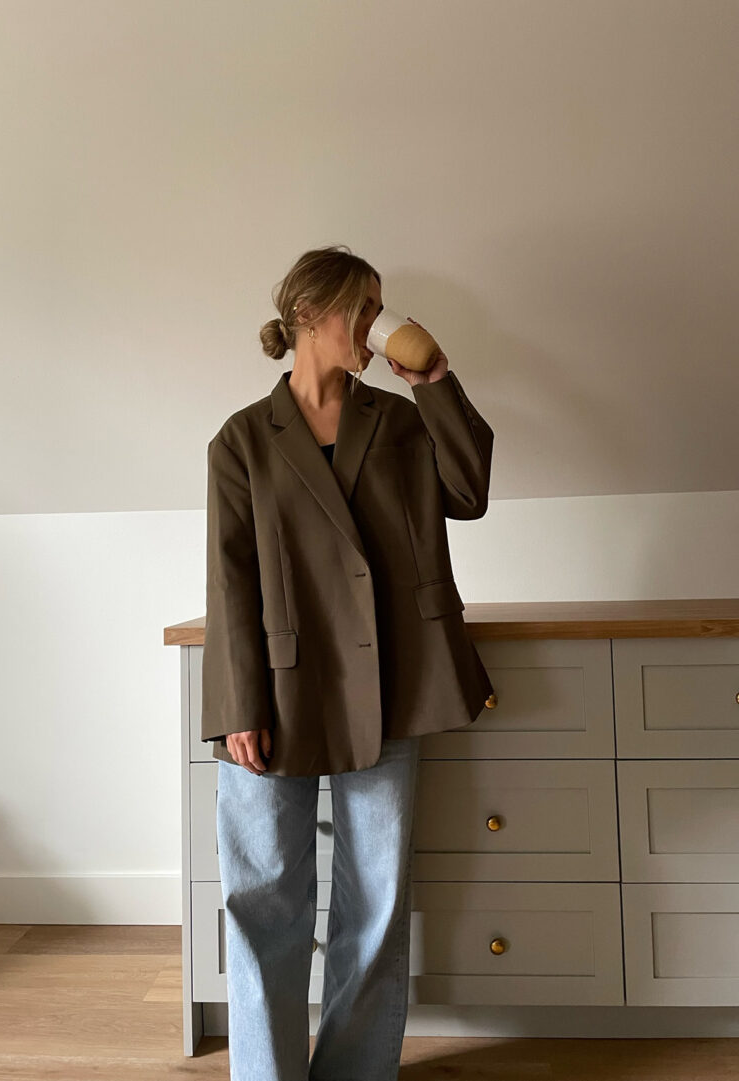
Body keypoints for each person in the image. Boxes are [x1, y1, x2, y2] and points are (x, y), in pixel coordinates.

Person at [203, 245, 495, 1080]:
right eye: (358, 309)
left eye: (378, 308)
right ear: (307, 314)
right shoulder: (241, 442)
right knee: (264, 900)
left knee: (375, 902)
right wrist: (236, 707)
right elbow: (229, 585)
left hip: (387, 684)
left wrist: (435, 377)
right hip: (278, 695)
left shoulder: (398, 421)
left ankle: (356, 1072)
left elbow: (469, 492)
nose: (374, 326)